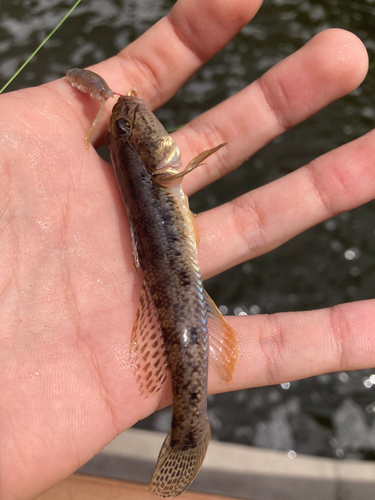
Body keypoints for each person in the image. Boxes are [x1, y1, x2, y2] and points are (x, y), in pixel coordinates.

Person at [0, 0, 372, 498]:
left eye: (127, 128)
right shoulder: (161, 165)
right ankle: (188, 426)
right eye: (128, 131)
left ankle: (186, 423)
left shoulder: (152, 165)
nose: (130, 116)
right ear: (162, 163)